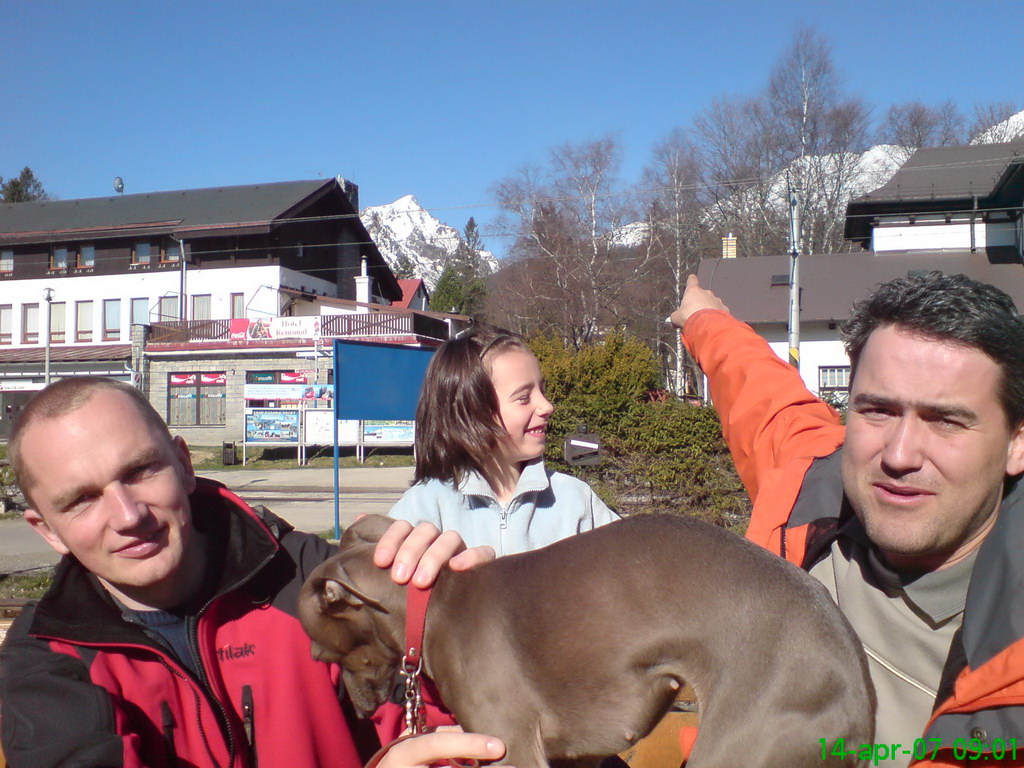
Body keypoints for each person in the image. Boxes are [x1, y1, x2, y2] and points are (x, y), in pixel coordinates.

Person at [0, 376, 505, 768]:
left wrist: (464, 623)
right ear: (47, 531)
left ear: (183, 463)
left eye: (139, 471)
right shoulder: (42, 666)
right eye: (83, 500)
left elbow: (464, 729)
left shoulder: (316, 583)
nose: (129, 516)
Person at [671, 271, 1024, 766]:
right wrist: (703, 317)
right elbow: (759, 392)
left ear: (1017, 442)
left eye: (945, 421)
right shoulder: (810, 486)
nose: (899, 455)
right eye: (877, 411)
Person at [388, 325, 619, 555]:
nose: (548, 406)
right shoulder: (424, 506)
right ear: (471, 412)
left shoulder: (575, 499)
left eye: (542, 390)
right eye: (524, 397)